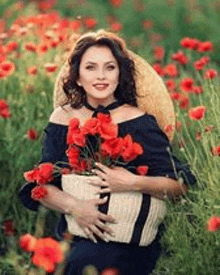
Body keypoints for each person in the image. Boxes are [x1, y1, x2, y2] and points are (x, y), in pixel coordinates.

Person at [19, 29, 196, 275]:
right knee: (67, 258)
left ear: (119, 74)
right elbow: (41, 187)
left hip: (126, 241)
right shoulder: (62, 118)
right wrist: (75, 207)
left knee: (88, 262)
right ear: (78, 76)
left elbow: (181, 185)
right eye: (90, 67)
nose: (101, 76)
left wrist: (134, 182)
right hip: (74, 233)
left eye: (109, 68)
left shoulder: (139, 122)